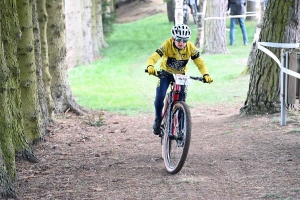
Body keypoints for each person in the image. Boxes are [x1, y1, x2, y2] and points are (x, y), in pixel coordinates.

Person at [146, 24, 213, 135]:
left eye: (185, 40)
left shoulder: (191, 47)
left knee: (182, 98)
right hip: (165, 73)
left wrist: (206, 74)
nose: (181, 42)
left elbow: (200, 63)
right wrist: (150, 66)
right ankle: (158, 118)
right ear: (173, 38)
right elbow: (153, 57)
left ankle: (182, 128)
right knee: (160, 96)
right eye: (178, 39)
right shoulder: (167, 44)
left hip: (181, 75)